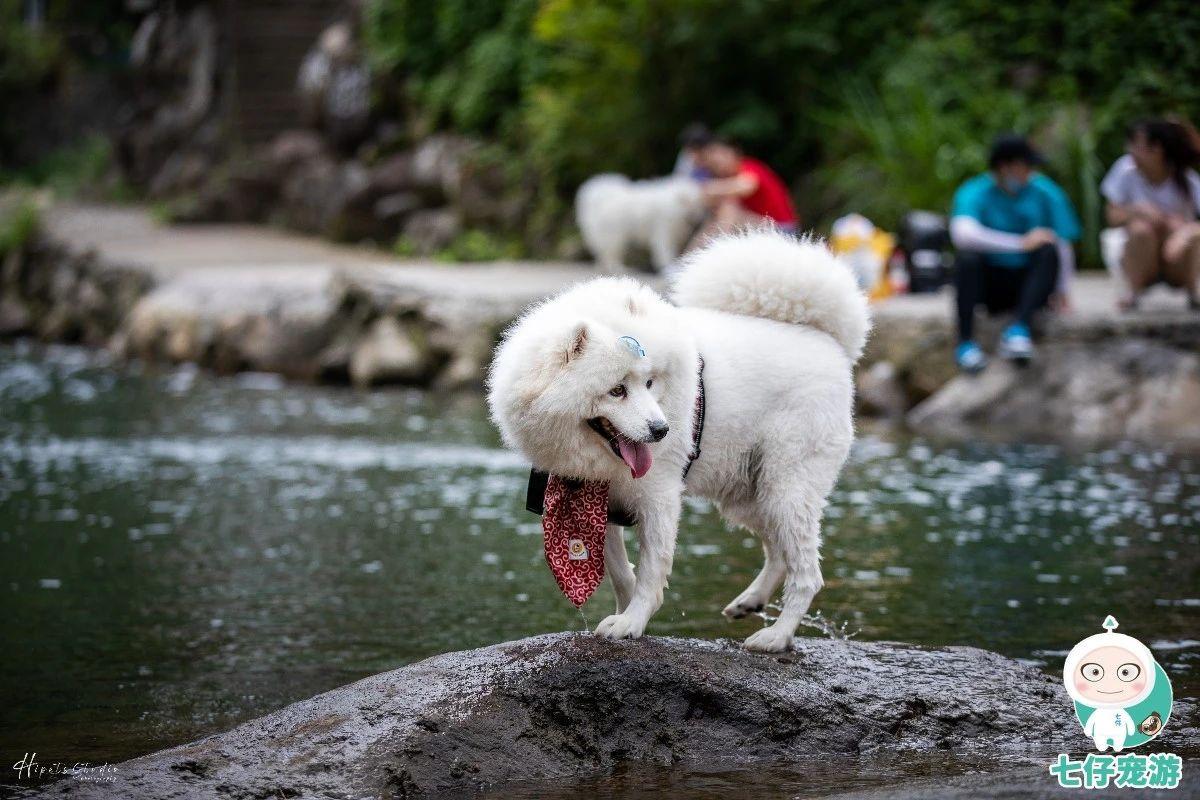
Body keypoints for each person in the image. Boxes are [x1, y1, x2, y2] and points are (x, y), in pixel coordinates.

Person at [949, 134, 1081, 372]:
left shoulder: (1044, 191)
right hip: (990, 287)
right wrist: (1020, 243)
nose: (1031, 173)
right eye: (1026, 166)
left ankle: (1020, 329)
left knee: (1047, 249)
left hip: (1029, 287)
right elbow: (963, 234)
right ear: (1005, 166)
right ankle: (966, 344)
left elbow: (1062, 242)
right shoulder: (975, 191)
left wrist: (1064, 290)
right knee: (967, 259)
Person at [1100, 118, 1200, 310]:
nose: (1130, 151)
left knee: (1181, 228)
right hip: (1140, 259)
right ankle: (1133, 291)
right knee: (1141, 230)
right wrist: (1136, 212)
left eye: (1136, 145)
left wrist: (1184, 234)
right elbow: (1111, 217)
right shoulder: (1125, 170)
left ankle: (1192, 290)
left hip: (1176, 262)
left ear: (1157, 149)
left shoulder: (1186, 179)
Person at [687, 134, 798, 247]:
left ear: (733, 153)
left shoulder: (748, 166)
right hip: (767, 227)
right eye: (714, 164)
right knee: (718, 217)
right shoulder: (731, 177)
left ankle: (715, 250)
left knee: (729, 210)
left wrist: (711, 188)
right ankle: (691, 257)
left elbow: (747, 185)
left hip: (783, 229)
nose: (719, 164)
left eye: (722, 156)